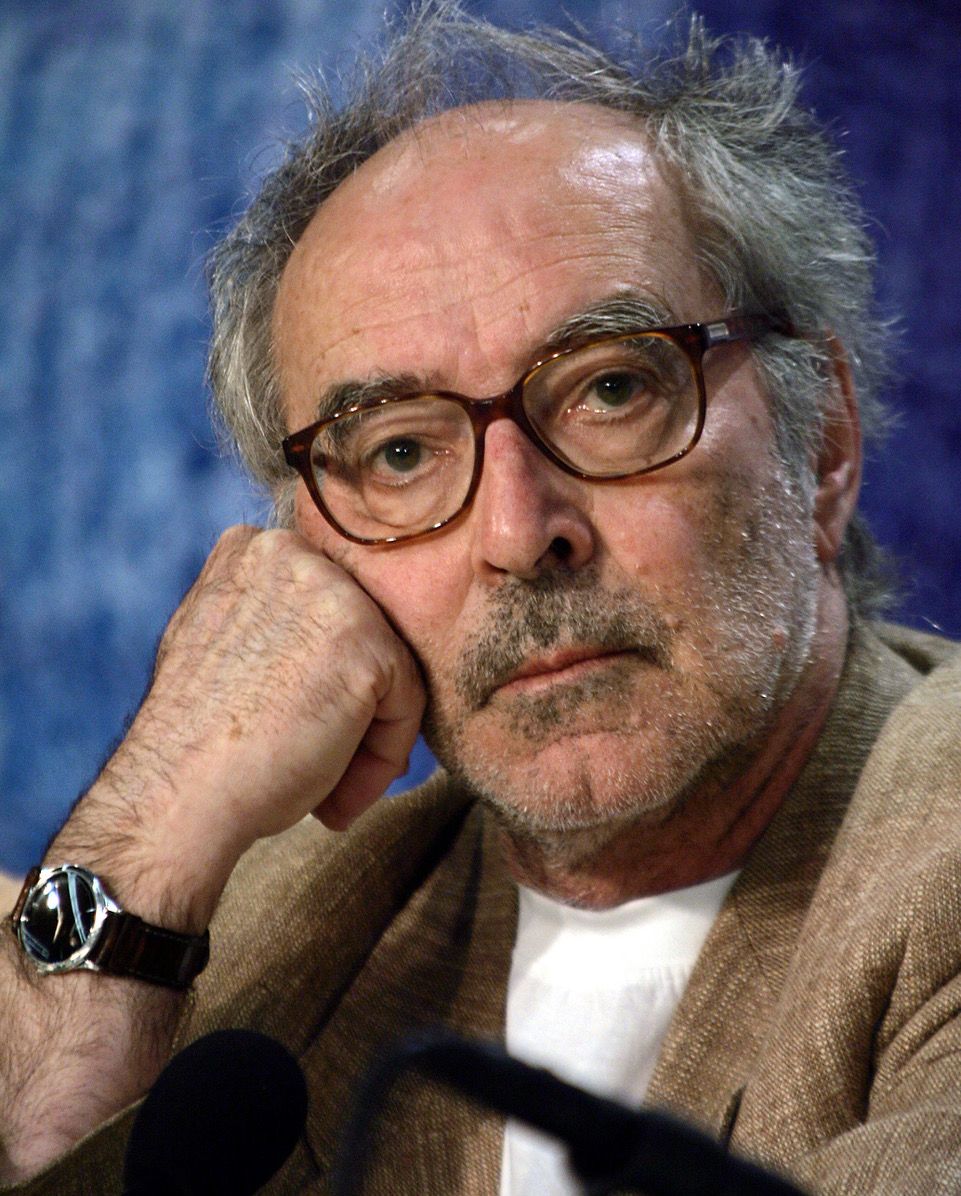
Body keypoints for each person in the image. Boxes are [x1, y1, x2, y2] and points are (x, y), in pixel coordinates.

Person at [2, 5, 959, 1193]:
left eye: (611, 389)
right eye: (400, 451)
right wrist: (147, 837)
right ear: (310, 550)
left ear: (821, 444)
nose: (516, 532)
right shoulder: (259, 921)